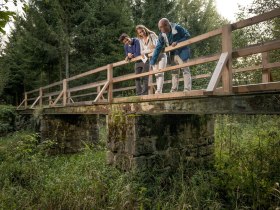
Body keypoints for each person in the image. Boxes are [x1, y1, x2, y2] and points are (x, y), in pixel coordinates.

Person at [150, 18, 191, 92]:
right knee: (174, 73)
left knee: (185, 70)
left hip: (182, 52)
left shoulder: (177, 28)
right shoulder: (162, 35)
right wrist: (153, 61)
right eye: (160, 28)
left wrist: (177, 42)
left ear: (167, 25)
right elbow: (158, 47)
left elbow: (187, 35)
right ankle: (174, 90)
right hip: (172, 54)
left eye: (163, 27)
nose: (162, 30)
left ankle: (187, 89)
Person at [136, 25, 167, 94]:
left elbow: (156, 47)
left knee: (160, 72)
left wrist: (147, 50)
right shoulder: (140, 40)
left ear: (145, 29)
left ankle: (159, 90)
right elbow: (142, 52)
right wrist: (148, 50)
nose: (142, 33)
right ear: (138, 34)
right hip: (152, 58)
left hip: (161, 55)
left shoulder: (152, 35)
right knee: (156, 74)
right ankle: (159, 91)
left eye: (142, 31)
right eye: (140, 32)